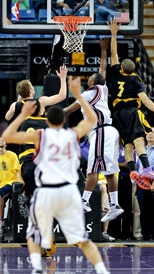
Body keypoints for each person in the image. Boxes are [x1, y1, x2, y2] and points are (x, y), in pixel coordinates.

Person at [2, 77, 110, 274]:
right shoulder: (71, 134)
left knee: (34, 228)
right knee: (81, 239)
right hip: (68, 190)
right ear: (61, 121)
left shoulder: (40, 135)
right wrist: (77, 94)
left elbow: (8, 136)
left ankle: (37, 265)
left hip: (46, 188)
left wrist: (22, 115)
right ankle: (101, 269)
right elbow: (93, 119)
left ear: (47, 119)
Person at [107, 18, 154, 189]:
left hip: (116, 114)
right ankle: (147, 169)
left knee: (128, 145)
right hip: (131, 112)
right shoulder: (137, 81)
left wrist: (113, 34)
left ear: (121, 67)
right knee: (138, 142)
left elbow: (113, 54)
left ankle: (132, 171)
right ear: (133, 70)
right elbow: (145, 100)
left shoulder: (115, 73)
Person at [63, 38, 123, 223]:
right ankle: (115, 205)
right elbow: (102, 70)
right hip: (108, 131)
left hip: (102, 131)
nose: (88, 78)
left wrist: (51, 114)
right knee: (110, 170)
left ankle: (84, 201)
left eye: (90, 78)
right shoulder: (102, 89)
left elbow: (70, 109)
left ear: (92, 82)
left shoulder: (91, 92)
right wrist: (103, 50)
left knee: (94, 167)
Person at [18, 99, 48, 202]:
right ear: (40, 110)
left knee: (28, 194)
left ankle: (28, 214)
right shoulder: (47, 123)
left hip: (26, 163)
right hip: (42, 163)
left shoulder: (24, 123)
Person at [0, 137, 20, 241]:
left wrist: (20, 184)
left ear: (6, 144)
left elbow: (18, 172)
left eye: (2, 141)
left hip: (10, 183)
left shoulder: (12, 155)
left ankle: (1, 224)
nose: (0, 143)